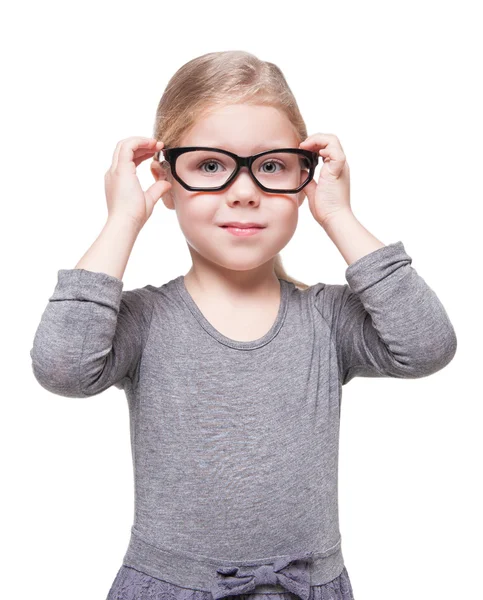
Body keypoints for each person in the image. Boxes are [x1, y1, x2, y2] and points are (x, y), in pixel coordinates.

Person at [30, 50, 457, 600]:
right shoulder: (145, 320)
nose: (244, 189)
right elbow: (62, 366)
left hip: (306, 587)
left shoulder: (325, 318)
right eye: (209, 165)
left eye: (273, 165)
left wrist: (340, 216)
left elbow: (427, 346)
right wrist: (121, 221)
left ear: (305, 179)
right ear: (164, 178)